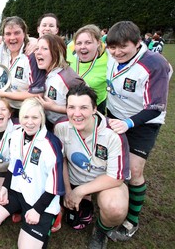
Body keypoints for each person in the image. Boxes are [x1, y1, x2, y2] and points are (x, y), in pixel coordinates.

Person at [104, 21, 172, 242]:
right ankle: (111, 199)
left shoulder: (155, 64)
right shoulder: (111, 57)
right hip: (115, 115)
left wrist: (129, 123)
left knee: (133, 170)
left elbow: (156, 106)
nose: (117, 52)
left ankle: (132, 220)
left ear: (138, 42)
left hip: (143, 122)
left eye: (123, 47)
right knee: (111, 160)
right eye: (112, 47)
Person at [0, 97, 64, 249]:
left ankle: (53, 217)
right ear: (20, 118)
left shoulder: (51, 144)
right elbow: (15, 165)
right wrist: (5, 187)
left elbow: (55, 186)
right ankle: (21, 211)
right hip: (19, 191)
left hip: (42, 201)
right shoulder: (17, 134)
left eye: (35, 117)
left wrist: (37, 210)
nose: (30, 122)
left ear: (42, 118)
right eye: (26, 117)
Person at [54, 84, 130, 249]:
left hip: (103, 183)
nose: (77, 114)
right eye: (71, 107)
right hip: (73, 179)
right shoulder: (61, 127)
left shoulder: (113, 133)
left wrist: (80, 191)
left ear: (95, 109)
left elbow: (116, 177)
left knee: (115, 208)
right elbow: (63, 160)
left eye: (84, 107)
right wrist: (68, 190)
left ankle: (101, 232)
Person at [0, 16, 42, 117]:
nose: (12, 38)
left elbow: (37, 94)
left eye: (17, 33)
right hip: (5, 108)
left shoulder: (32, 57)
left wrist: (4, 94)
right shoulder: (1, 52)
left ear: (24, 34)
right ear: (3, 36)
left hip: (27, 111)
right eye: (8, 34)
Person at [35, 34, 85, 130]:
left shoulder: (69, 79)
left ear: (57, 52)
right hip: (51, 124)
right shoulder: (45, 72)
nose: (38, 52)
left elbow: (86, 108)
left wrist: (54, 107)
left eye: (44, 49)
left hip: (70, 128)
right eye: (37, 48)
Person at [67, 24, 108, 114]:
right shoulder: (69, 50)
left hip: (96, 105)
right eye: (79, 43)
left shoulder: (109, 58)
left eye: (88, 42)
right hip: (71, 103)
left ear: (98, 43)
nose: (83, 47)